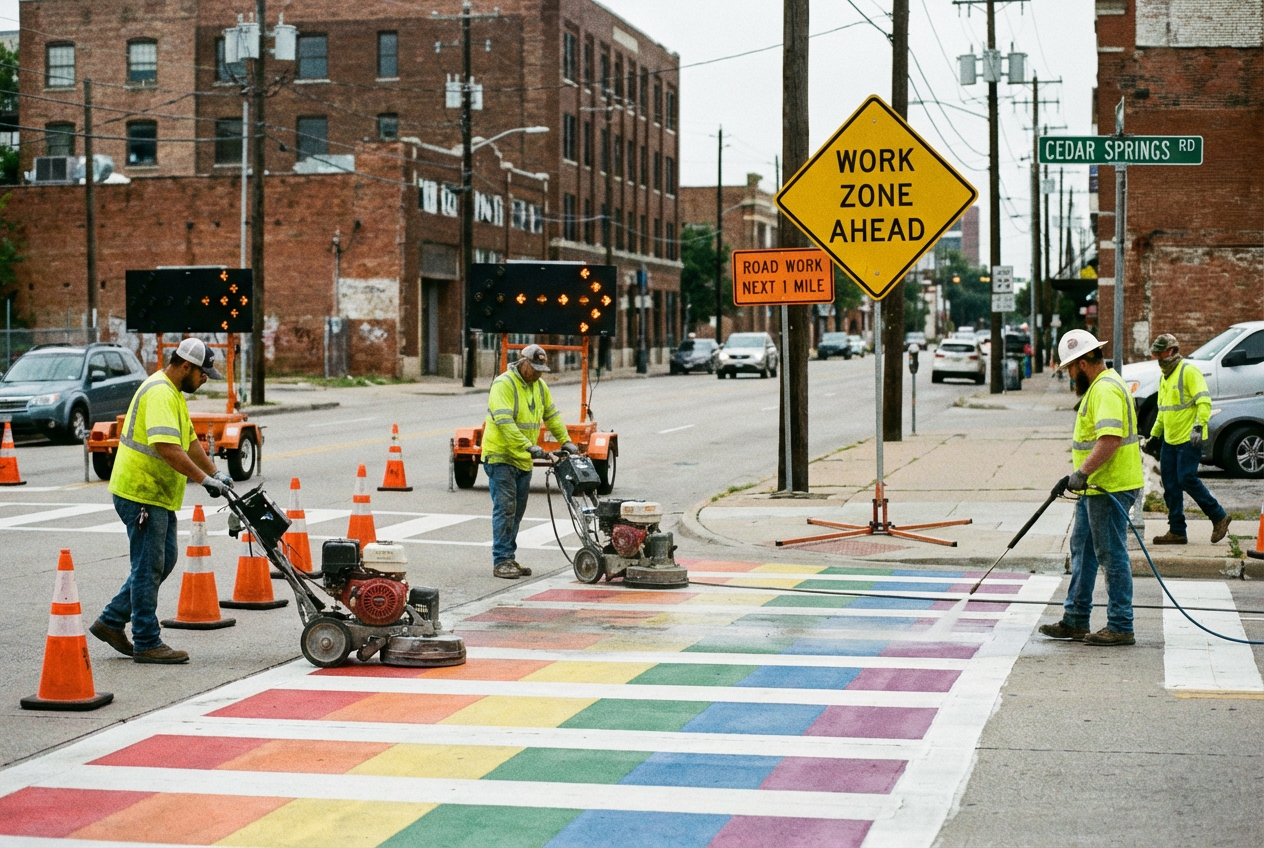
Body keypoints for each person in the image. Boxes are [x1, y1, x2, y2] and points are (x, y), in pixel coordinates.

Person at [90, 338, 235, 664]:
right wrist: (203, 480)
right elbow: (167, 447)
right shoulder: (159, 393)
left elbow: (188, 441)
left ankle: (112, 620)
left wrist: (215, 471)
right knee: (148, 566)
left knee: (162, 560)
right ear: (186, 366)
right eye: (203, 373)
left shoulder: (172, 393)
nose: (205, 379)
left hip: (156, 495)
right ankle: (146, 641)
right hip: (141, 493)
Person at [1039, 329, 1145, 647]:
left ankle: (1121, 625)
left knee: (1111, 555)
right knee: (1083, 551)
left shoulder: (1105, 390)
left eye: (1071, 369)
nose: (1071, 377)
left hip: (1110, 486)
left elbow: (1110, 439)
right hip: (1094, 487)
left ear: (1084, 362)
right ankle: (1075, 619)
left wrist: (1082, 473)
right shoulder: (1100, 387)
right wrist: (1077, 477)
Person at [482, 344, 576, 580]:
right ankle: (501, 560)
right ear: (521, 362)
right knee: (505, 509)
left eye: (541, 370)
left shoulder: (540, 386)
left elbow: (552, 416)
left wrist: (566, 441)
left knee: (516, 512)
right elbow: (504, 423)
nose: (537, 373)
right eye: (534, 368)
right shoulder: (503, 384)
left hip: (523, 460)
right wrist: (529, 446)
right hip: (501, 457)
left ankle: (509, 557)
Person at [1148, 333, 1230, 545]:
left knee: (1186, 478)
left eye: (1162, 353)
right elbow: (1163, 411)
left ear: (1173, 351)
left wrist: (1198, 426)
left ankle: (1218, 516)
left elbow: (1204, 402)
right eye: (1157, 353)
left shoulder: (1188, 371)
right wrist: (1154, 435)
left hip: (1188, 438)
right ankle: (1177, 530)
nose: (1159, 358)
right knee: (1170, 484)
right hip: (1170, 439)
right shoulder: (1164, 378)